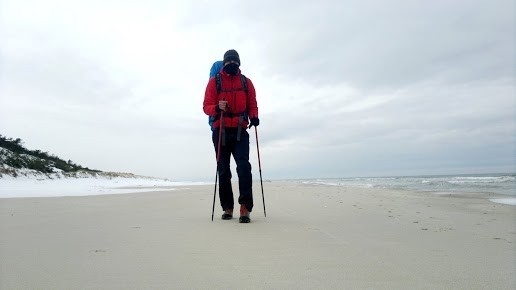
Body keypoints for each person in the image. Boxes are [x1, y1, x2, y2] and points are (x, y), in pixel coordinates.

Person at [203, 49, 259, 223]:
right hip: (221, 131)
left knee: (243, 167)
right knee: (223, 170)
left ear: (239, 64)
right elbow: (206, 106)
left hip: (241, 131)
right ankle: (227, 207)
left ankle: (245, 208)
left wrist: (254, 116)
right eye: (229, 63)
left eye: (235, 63)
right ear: (224, 64)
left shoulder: (246, 82)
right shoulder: (214, 82)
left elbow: (252, 104)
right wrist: (217, 107)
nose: (232, 65)